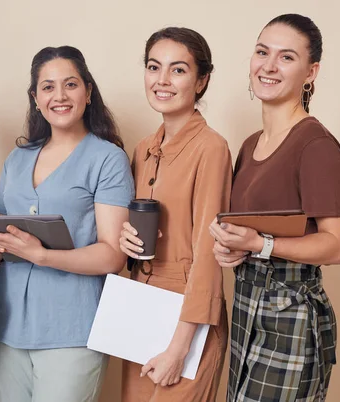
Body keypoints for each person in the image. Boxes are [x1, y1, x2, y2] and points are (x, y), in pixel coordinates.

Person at [208, 14, 340, 402]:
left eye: (286, 57)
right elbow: (251, 231)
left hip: (291, 312)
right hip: (246, 307)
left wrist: (260, 244)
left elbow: (338, 245)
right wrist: (231, 245)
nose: (268, 66)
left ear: (311, 72)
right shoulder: (250, 143)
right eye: (261, 52)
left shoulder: (316, 145)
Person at [0, 45, 135, 402]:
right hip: (8, 327)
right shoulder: (17, 159)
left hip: (73, 329)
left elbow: (113, 255)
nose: (60, 96)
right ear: (35, 98)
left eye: (70, 84)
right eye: (48, 87)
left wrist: (42, 255)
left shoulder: (107, 159)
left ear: (88, 92)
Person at [119, 27, 232, 402]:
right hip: (142, 306)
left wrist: (179, 348)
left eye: (178, 70)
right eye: (154, 67)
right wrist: (125, 240)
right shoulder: (143, 149)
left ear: (202, 81)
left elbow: (208, 255)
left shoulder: (211, 148)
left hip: (189, 316)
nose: (162, 80)